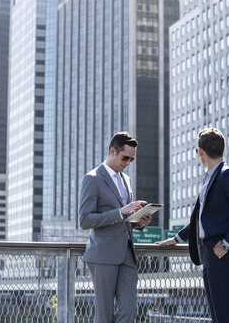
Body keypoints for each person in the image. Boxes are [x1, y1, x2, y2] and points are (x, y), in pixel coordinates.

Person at [156, 127, 229, 323]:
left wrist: (227, 243)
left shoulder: (226, 175)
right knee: (217, 314)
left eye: (196, 151)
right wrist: (177, 238)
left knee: (224, 314)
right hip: (210, 251)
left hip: (221, 251)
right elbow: (200, 218)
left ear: (201, 151)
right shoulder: (212, 177)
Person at [79, 131, 152, 323]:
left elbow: (125, 219)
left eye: (131, 160)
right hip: (103, 254)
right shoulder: (92, 178)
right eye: (125, 158)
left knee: (129, 309)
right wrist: (121, 212)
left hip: (127, 253)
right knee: (104, 315)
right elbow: (85, 220)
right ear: (112, 151)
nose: (127, 163)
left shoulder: (126, 180)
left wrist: (138, 221)